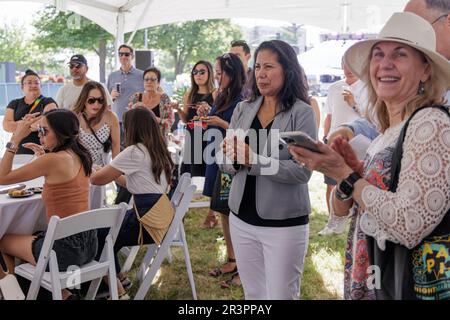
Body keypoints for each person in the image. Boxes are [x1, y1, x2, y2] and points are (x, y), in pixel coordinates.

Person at [289, 12, 450, 299]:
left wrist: (344, 174)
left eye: (399, 55)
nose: (384, 64)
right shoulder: (388, 131)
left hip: (405, 283)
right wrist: (350, 176)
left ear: (426, 70)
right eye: (378, 55)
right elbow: (343, 212)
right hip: (377, 274)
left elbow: (409, 224)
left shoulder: (431, 123)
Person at [218, 40, 317, 299]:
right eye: (258, 66)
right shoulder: (243, 108)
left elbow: (302, 171)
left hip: (284, 225)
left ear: (288, 70)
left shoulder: (302, 112)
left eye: (269, 66)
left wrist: (254, 160)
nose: (261, 73)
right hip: (241, 219)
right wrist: (236, 160)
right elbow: (222, 157)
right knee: (254, 296)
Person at [0, 109, 95, 300]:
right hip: (89, 244)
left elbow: (2, 177)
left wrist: (15, 139)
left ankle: (12, 295)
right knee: (26, 237)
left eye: (44, 131)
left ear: (62, 133)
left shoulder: (53, 160)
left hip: (64, 251)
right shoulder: (82, 155)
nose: (40, 135)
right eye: (40, 131)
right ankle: (65, 295)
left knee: (2, 239)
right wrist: (45, 156)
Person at [329, 0, 450, 144]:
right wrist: (352, 130)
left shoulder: (434, 123)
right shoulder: (413, 83)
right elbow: (394, 121)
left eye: (416, 26)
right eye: (378, 54)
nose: (405, 35)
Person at [91, 107, 174, 298]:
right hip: (159, 216)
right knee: (105, 229)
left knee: (97, 235)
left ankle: (114, 287)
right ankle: (119, 277)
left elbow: (96, 180)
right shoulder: (157, 149)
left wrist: (94, 169)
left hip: (145, 221)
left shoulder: (134, 151)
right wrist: (105, 170)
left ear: (132, 128)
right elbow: (133, 183)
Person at [200, 53, 245, 287]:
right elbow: (216, 121)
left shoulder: (243, 98)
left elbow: (243, 132)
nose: (216, 76)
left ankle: (242, 263)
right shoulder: (222, 95)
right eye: (216, 71)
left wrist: (220, 123)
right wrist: (208, 116)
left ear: (232, 72)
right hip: (217, 158)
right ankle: (232, 258)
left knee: (232, 211)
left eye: (220, 72)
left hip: (232, 162)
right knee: (222, 210)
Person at [320, 60, 369, 236]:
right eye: (344, 64)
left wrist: (353, 103)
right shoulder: (334, 87)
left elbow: (372, 118)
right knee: (331, 183)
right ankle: (333, 221)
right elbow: (329, 116)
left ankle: (353, 220)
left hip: (357, 141)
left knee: (353, 181)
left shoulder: (368, 86)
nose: (347, 68)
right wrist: (326, 137)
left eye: (351, 64)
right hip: (334, 139)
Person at [72, 81, 120, 209]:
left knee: (96, 208)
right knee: (80, 208)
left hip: (100, 171)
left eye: (100, 100)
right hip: (78, 169)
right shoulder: (75, 117)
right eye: (91, 100)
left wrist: (115, 170)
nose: (96, 104)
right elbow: (70, 150)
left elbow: (116, 146)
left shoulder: (111, 117)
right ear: (84, 100)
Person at [175, 60, 216, 177]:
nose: (198, 75)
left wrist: (208, 109)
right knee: (191, 175)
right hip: (192, 137)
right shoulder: (189, 94)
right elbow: (185, 120)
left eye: (202, 72)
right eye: (195, 72)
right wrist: (178, 109)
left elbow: (218, 117)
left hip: (209, 137)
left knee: (206, 174)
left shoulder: (215, 93)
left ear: (210, 74)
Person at [3, 70, 57, 154]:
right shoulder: (14, 103)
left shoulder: (48, 101)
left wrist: (20, 125)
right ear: (22, 87)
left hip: (42, 151)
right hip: (18, 150)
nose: (33, 85)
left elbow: (46, 123)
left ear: (41, 86)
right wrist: (33, 123)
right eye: (29, 83)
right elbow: (6, 126)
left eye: (36, 83)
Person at [107, 44, 144, 144]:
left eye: (127, 54)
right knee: (119, 150)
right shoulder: (112, 76)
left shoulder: (142, 75)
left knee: (136, 148)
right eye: (121, 54)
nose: (123, 57)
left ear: (132, 56)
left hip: (136, 119)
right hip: (117, 120)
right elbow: (106, 100)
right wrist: (111, 96)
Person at [128, 67, 174, 140]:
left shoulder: (164, 99)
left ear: (158, 83)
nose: (149, 82)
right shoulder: (136, 98)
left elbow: (169, 122)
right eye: (146, 79)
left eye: (153, 80)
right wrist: (133, 111)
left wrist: (148, 113)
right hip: (138, 140)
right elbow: (128, 121)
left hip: (158, 140)